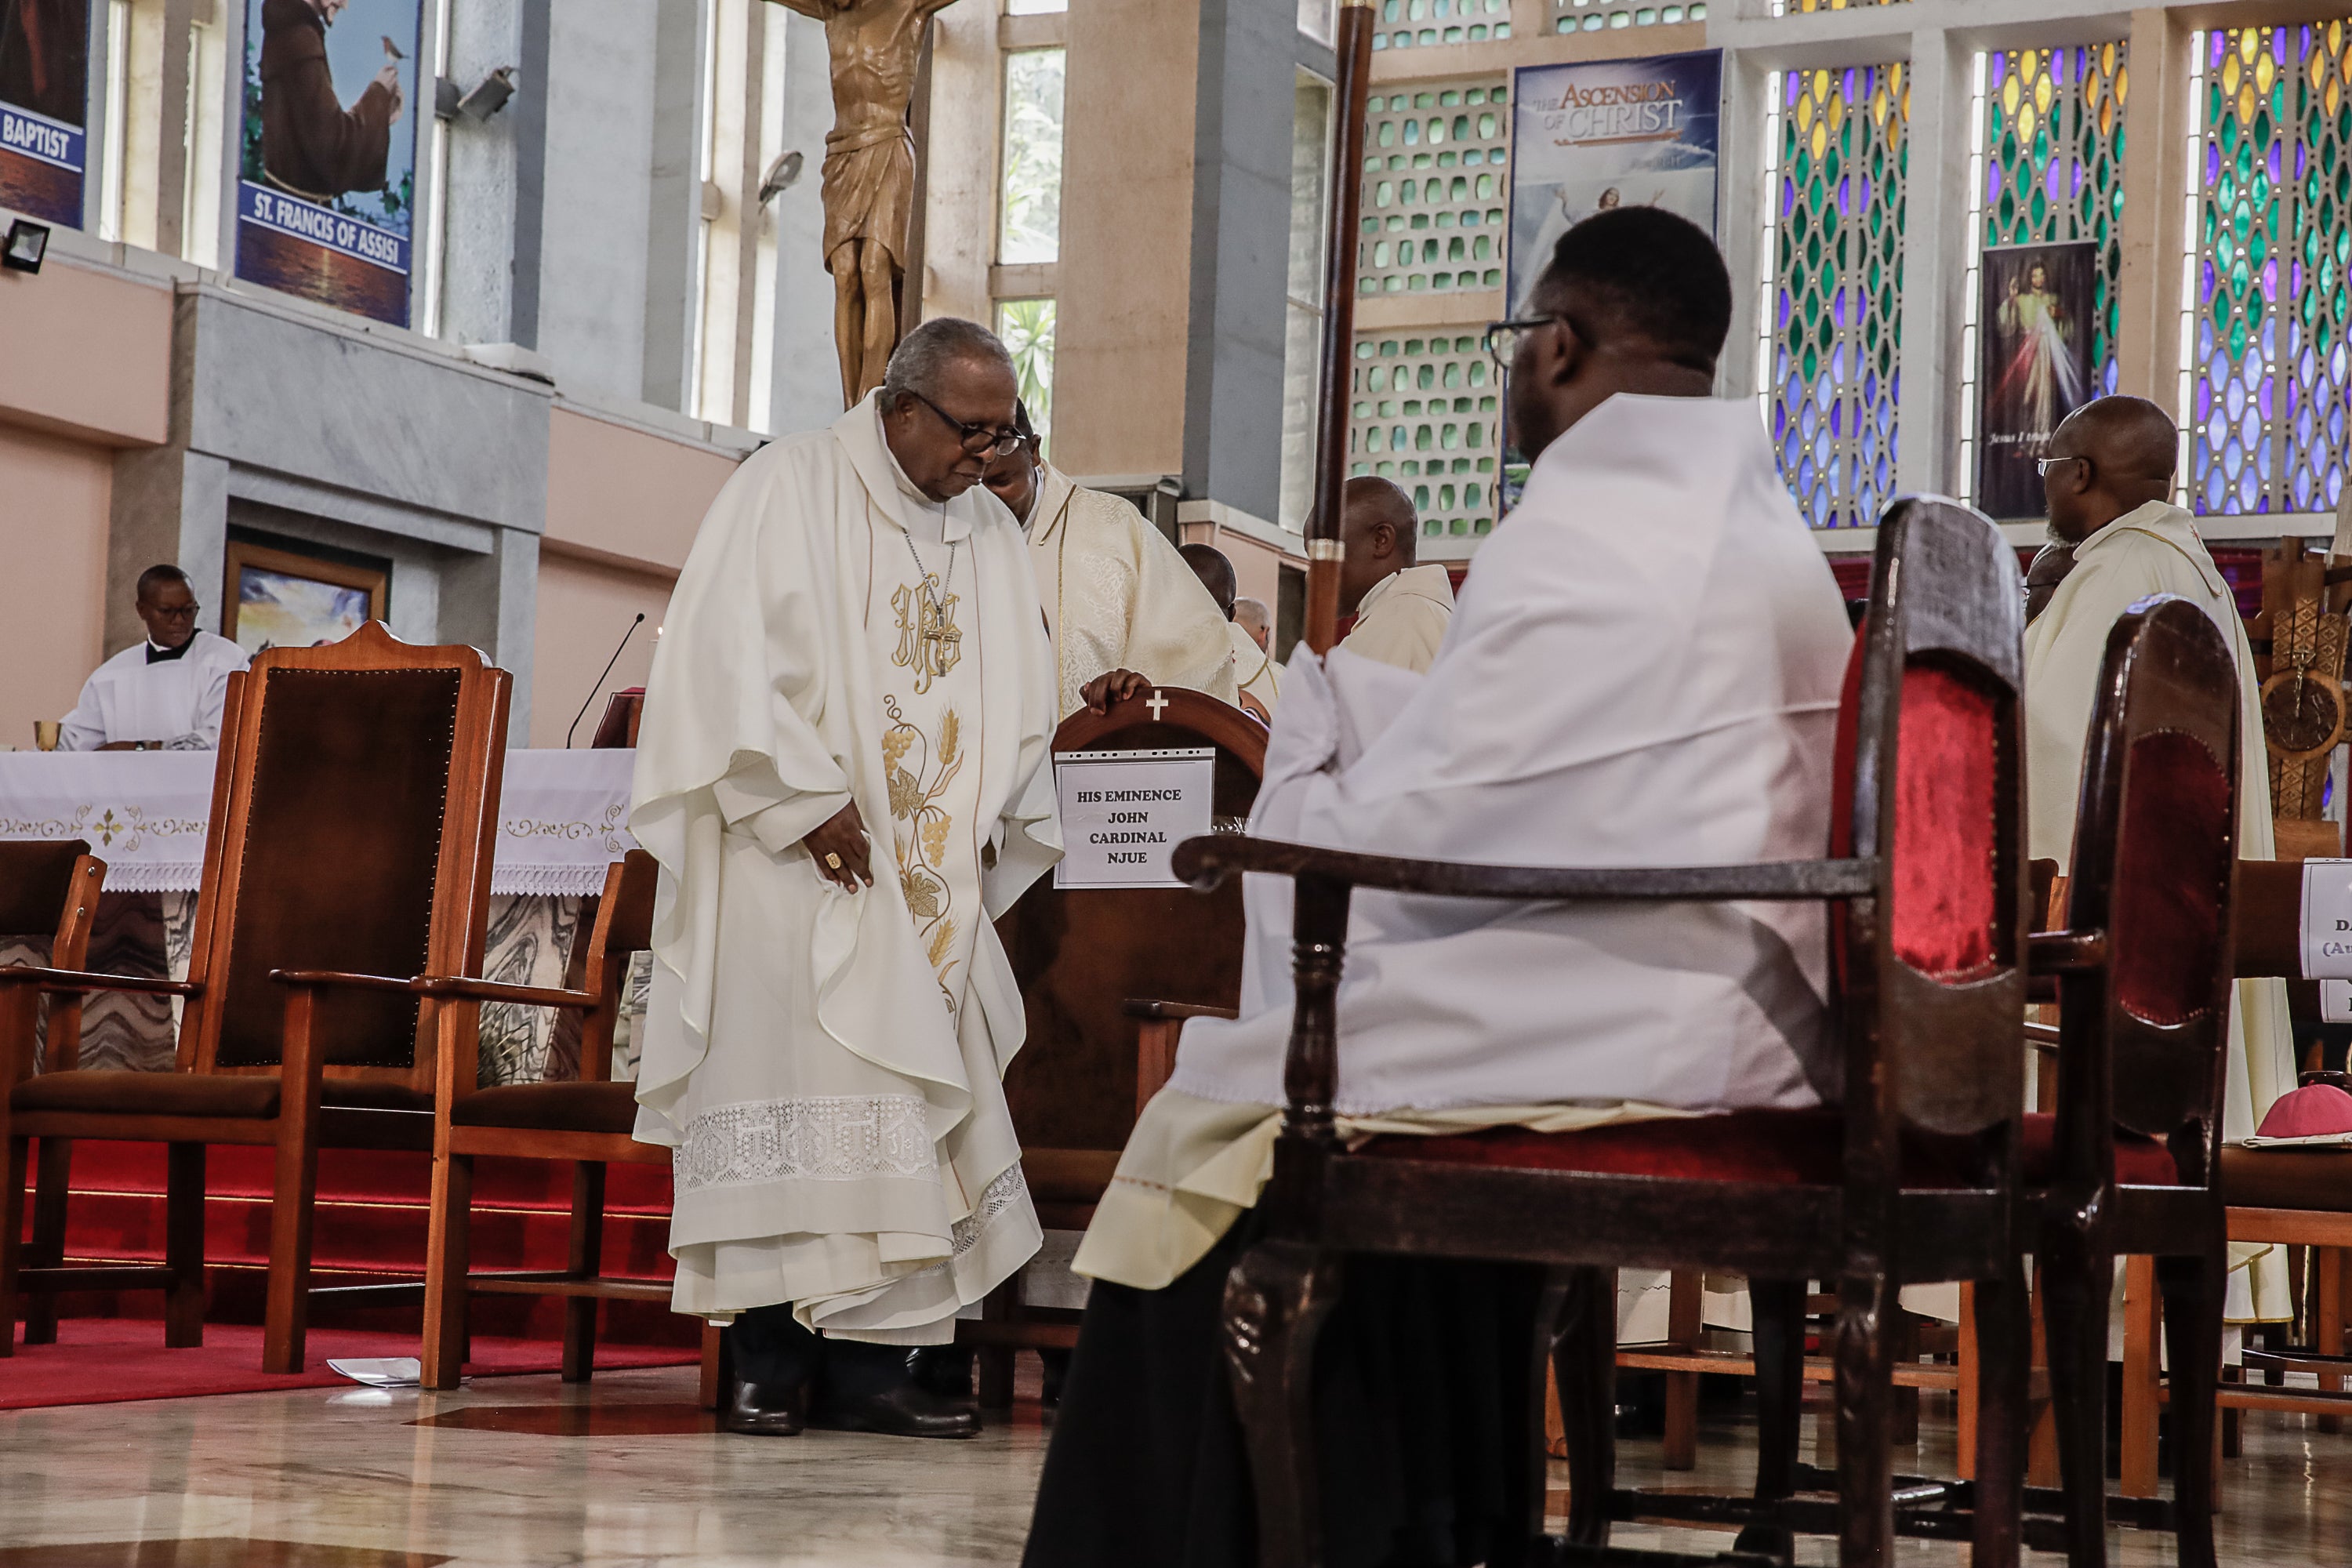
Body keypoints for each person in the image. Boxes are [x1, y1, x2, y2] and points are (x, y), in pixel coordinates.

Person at [1023, 206, 1852, 1566]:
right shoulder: (1752, 527)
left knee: (1234, 1100)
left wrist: (1314, 773)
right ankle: (1445, 1511)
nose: (1512, 375)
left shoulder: (1586, 531)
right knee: (1342, 1065)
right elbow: (1564, 775)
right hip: (1712, 983)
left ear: (1562, 346)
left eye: (1514, 344)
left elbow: (1430, 827)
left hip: (1633, 1015)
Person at [628, 318, 1062, 1439]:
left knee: (907, 1108)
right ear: (900, 407)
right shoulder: (786, 488)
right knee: (796, 1083)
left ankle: (876, 1366)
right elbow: (715, 664)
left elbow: (1020, 698)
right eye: (971, 431)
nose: (987, 455)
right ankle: (766, 1358)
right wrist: (801, 798)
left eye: (1003, 433)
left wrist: (972, 821)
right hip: (799, 857)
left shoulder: (989, 536)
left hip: (925, 876)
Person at [2024, 394, 2294, 1324]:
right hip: (2182, 934)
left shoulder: (2117, 573)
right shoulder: (2192, 570)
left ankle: (2088, 1340)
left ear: (2082, 474)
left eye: (2049, 467)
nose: (2046, 484)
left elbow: (2045, 743)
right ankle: (2151, 1347)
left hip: (2117, 946)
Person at [980, 405, 1239, 718]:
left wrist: (1139, 694)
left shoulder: (1115, 528)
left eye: (999, 482)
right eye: (971, 486)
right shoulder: (941, 529)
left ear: (1034, 451)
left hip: (1083, 759)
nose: (984, 501)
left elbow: (1201, 646)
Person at [58, 566, 250, 752]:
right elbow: (78, 739)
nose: (179, 620)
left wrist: (144, 748)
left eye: (188, 610)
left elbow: (225, 735)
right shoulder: (112, 674)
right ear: (141, 610)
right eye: (167, 611)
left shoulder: (224, 660)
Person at [257, 0, 403, 201]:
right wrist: (380, 94)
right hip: (297, 216)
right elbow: (332, 150)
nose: (344, 5)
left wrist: (379, 115)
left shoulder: (290, 29)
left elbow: (319, 131)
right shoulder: (299, 36)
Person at [1334, 475, 1454, 675]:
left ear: (1381, 540)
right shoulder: (1403, 615)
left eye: (1328, 554)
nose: (1312, 575)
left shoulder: (1405, 622)